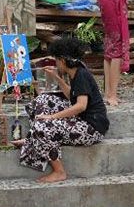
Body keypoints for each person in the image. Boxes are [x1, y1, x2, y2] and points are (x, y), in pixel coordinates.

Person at [15, 37, 109, 182]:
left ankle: (59, 172)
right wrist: (57, 78)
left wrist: (52, 117)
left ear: (63, 61)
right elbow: (72, 96)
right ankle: (33, 137)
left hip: (92, 128)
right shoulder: (75, 73)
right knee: (41, 100)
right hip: (82, 119)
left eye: (57, 60)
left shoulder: (81, 75)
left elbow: (80, 106)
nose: (56, 63)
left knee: (43, 127)